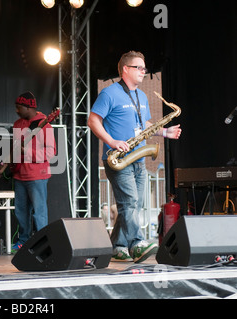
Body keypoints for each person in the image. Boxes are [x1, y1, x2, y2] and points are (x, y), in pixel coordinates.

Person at [88, 51, 182, 263]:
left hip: (138, 158)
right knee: (129, 202)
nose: (143, 71)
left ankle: (117, 245)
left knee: (134, 204)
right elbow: (93, 121)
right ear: (125, 70)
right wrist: (112, 142)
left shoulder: (142, 95)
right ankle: (136, 244)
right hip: (118, 158)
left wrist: (164, 132)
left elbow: (145, 126)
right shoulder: (109, 93)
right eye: (139, 68)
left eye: (144, 68)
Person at [0, 92, 56, 252]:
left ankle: (43, 242)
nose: (16, 110)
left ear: (29, 107)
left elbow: (51, 152)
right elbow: (15, 148)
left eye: (19, 107)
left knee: (39, 212)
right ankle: (23, 240)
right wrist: (4, 165)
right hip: (19, 175)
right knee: (21, 212)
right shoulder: (17, 124)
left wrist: (27, 152)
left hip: (38, 175)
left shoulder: (45, 124)